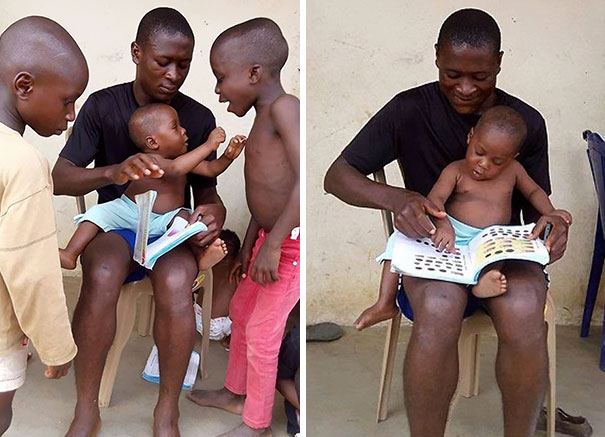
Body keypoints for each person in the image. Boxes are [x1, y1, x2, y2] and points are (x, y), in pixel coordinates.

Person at [324, 8, 570, 437]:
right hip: (435, 248)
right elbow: (337, 177)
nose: (466, 88)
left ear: (499, 63)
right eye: (452, 74)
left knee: (524, 308)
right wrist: (397, 199)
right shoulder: (408, 109)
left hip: (499, 253)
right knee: (439, 309)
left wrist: (551, 228)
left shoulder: (524, 122)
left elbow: (536, 206)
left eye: (481, 76)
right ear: (436, 56)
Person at [51, 8, 226, 437]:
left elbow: (207, 191)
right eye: (162, 61)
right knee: (103, 271)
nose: (173, 74)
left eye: (183, 64)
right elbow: (61, 177)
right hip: (117, 226)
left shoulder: (196, 119)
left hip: (168, 230)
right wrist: (113, 172)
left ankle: (167, 411)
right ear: (136, 53)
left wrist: (213, 213)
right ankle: (86, 408)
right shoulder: (103, 106)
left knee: (177, 279)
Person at [355, 106, 573, 331]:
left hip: (489, 237)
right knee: (399, 241)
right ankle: (385, 302)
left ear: (512, 158)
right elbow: (435, 199)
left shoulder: (514, 171)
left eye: (497, 161)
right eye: (479, 152)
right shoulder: (456, 170)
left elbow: (534, 192)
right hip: (452, 233)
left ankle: (485, 280)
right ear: (471, 137)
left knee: (501, 251)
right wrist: (443, 225)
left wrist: (550, 212)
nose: (484, 164)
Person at [186, 17, 300, 437]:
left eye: (221, 78)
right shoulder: (263, 115)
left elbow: (302, 182)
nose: (218, 90)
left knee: (263, 333)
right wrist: (252, 245)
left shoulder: (285, 108)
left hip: (290, 247)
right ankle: (237, 393)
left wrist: (273, 246)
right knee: (240, 313)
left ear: (254, 72)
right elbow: (266, 195)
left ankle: (257, 423)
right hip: (269, 242)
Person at [0, 16, 88, 435]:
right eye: (68, 101)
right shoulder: (24, 164)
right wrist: (56, 346)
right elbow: (31, 270)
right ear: (24, 86)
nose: (71, 115)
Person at [59, 103, 246, 271]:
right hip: (130, 211)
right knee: (97, 214)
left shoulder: (183, 160)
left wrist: (228, 157)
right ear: (152, 142)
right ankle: (70, 253)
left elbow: (211, 169)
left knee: (188, 221)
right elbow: (175, 169)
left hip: (165, 219)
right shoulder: (151, 160)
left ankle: (198, 257)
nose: (183, 130)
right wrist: (209, 145)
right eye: (175, 127)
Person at [194, 229, 242, 343]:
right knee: (243, 307)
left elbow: (196, 289)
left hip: (196, 318)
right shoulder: (235, 274)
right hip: (217, 328)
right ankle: (229, 339)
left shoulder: (208, 266)